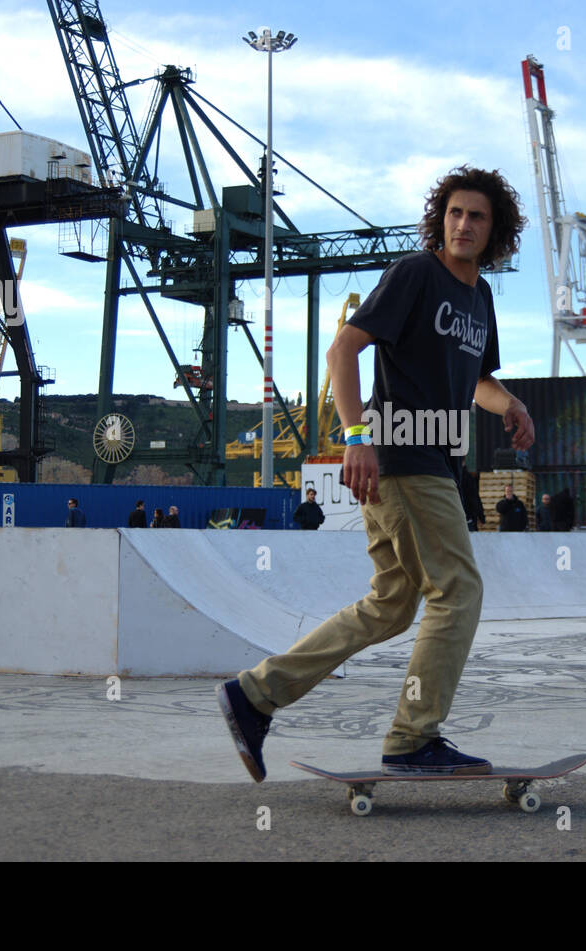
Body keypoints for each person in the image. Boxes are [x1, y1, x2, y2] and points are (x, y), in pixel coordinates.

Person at [217, 165, 532, 781]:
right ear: (440, 220)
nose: (464, 225)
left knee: (392, 604)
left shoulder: (479, 298)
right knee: (458, 589)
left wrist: (512, 404)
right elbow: (343, 348)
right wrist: (354, 437)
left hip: (434, 461)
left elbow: (475, 382)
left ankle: (255, 694)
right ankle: (414, 738)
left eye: (478, 217)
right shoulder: (417, 274)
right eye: (456, 213)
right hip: (402, 460)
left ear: (496, 231)